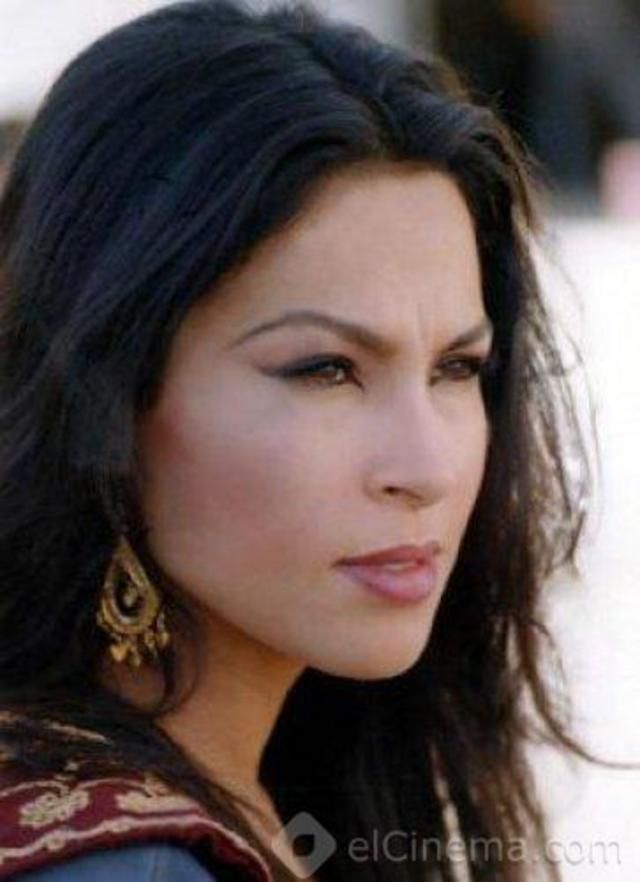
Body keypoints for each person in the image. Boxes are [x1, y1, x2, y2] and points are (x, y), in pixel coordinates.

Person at [0, 1, 605, 880]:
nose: (428, 470)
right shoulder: (122, 861)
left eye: (457, 368)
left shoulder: (282, 793)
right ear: (104, 402)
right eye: (325, 370)